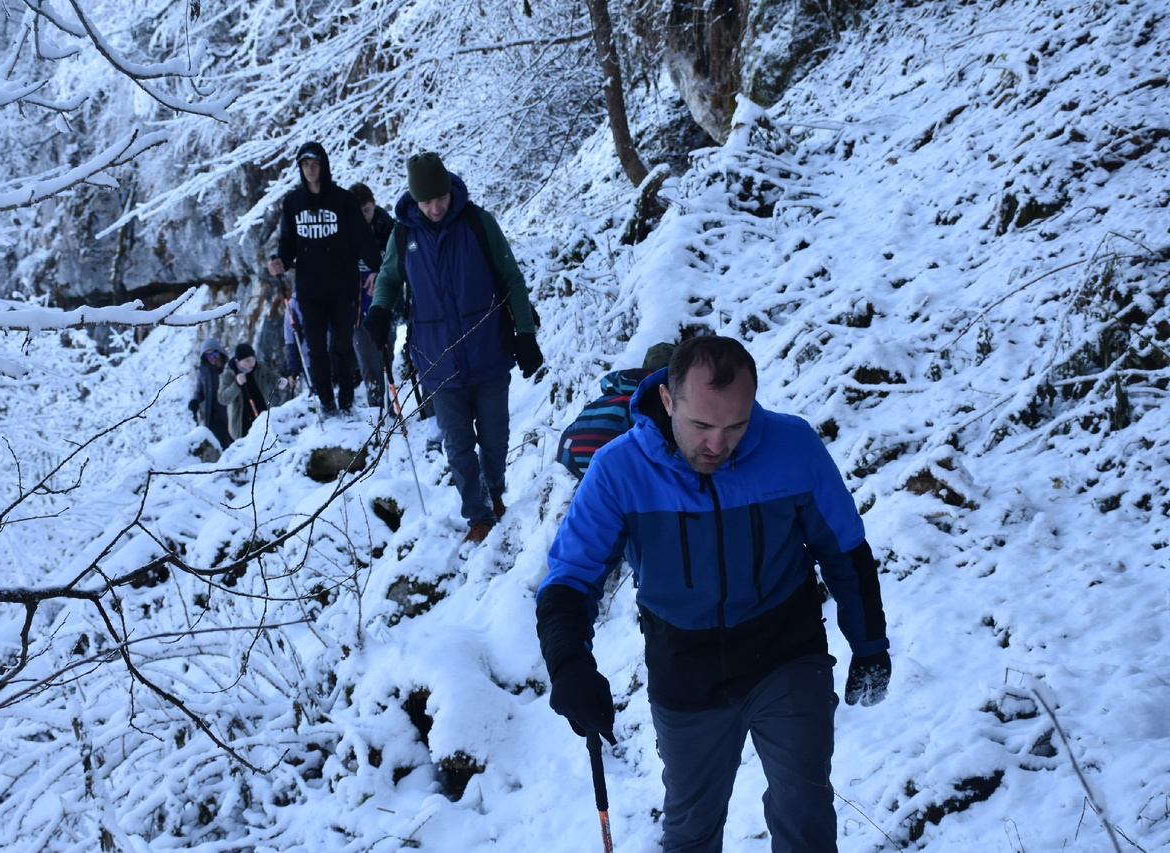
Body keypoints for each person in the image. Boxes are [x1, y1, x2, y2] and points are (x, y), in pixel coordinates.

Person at [536, 335, 891, 853]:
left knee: (805, 811)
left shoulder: (792, 447)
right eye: (701, 425)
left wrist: (870, 642)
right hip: (684, 668)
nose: (718, 446)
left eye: (736, 426)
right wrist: (569, 664)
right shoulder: (619, 470)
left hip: (786, 651)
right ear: (667, 399)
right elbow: (572, 576)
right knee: (692, 828)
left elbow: (844, 549)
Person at [364, 151, 543, 543]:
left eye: (440, 198)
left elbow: (511, 278)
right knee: (458, 445)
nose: (435, 208)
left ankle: (494, 493)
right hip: (437, 360)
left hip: (488, 350)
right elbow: (390, 279)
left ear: (450, 189)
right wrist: (379, 309)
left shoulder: (478, 222)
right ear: (415, 199)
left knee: (495, 438)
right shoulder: (404, 235)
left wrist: (525, 334)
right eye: (426, 201)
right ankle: (478, 516)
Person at [267, 141, 384, 416]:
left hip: (343, 286)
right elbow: (288, 243)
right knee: (316, 348)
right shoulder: (293, 203)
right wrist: (280, 261)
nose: (309, 169)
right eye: (305, 164)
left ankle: (346, 400)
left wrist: (378, 268)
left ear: (323, 166)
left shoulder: (343, 200)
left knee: (343, 345)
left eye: (314, 163)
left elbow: (362, 239)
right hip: (309, 288)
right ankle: (326, 402)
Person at [556, 341, 674, 479]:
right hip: (600, 451)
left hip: (569, 449)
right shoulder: (653, 397)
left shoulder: (619, 388)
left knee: (598, 482)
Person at [348, 182, 395, 410]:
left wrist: (380, 272)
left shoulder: (388, 228)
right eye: (358, 213)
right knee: (368, 363)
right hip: (358, 309)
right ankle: (377, 409)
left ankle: (389, 403)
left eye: (366, 210)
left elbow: (398, 261)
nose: (363, 217)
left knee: (387, 357)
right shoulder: (345, 233)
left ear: (374, 205)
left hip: (386, 305)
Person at [217, 343, 284, 442]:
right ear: (238, 361)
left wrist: (279, 381)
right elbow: (222, 399)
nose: (252, 363)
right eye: (247, 360)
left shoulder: (259, 367)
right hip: (242, 425)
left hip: (263, 417)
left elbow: (271, 376)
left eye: (253, 359)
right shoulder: (229, 374)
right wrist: (237, 384)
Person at [190, 337, 233, 448]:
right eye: (208, 356)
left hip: (233, 414)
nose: (212, 358)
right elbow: (199, 391)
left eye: (213, 353)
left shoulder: (230, 366)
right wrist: (195, 401)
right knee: (223, 447)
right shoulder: (203, 371)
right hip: (215, 418)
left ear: (219, 351)